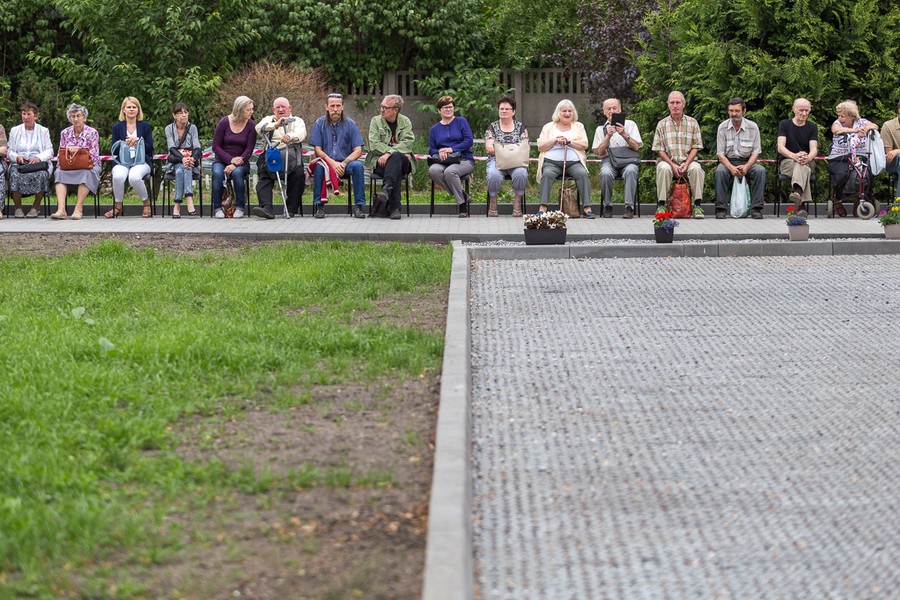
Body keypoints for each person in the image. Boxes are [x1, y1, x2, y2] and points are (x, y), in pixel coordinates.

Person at [307, 92, 366, 219]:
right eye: (332, 106)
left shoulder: (350, 124)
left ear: (343, 107)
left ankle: (359, 208)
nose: (335, 109)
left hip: (346, 164)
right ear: (326, 107)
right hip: (326, 163)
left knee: (358, 167)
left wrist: (343, 163)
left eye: (338, 106)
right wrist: (332, 163)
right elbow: (317, 149)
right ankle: (319, 207)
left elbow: (358, 149)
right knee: (319, 167)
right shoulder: (319, 123)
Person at [652, 91, 705, 217]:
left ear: (683, 104)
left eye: (678, 102)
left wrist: (686, 164)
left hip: (688, 161)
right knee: (663, 169)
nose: (675, 105)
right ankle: (661, 206)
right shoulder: (662, 124)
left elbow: (696, 146)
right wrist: (672, 165)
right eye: (672, 103)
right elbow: (659, 149)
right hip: (668, 162)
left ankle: (697, 206)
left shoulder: (693, 123)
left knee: (697, 169)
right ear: (668, 105)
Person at [536, 99, 592, 216]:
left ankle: (587, 208)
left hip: (574, 162)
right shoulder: (549, 127)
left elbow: (585, 144)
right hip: (552, 162)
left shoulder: (579, 126)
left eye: (570, 111)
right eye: (564, 111)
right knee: (547, 175)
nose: (567, 114)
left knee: (583, 174)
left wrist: (570, 142)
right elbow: (540, 146)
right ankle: (543, 208)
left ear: (573, 113)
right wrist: (555, 140)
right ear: (558, 113)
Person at [253, 96, 305, 219]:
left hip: (291, 155)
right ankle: (267, 208)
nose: (281, 109)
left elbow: (301, 134)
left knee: (298, 174)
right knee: (263, 173)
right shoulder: (268, 119)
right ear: (273, 109)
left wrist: (290, 136)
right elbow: (258, 128)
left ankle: (291, 209)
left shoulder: (297, 121)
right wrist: (275, 125)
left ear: (290, 108)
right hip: (271, 153)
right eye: (278, 107)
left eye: (283, 107)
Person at [365, 94, 416, 220]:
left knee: (396, 158)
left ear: (395, 110)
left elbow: (408, 142)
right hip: (380, 162)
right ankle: (395, 208)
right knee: (395, 167)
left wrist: (389, 153)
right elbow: (374, 145)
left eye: (385, 108)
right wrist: (394, 152)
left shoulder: (405, 122)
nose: (381, 109)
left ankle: (386, 189)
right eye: (381, 106)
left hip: (404, 162)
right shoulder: (376, 121)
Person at [714, 97, 766, 219]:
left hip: (748, 161)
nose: (734, 114)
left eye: (737, 111)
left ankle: (756, 209)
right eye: (731, 111)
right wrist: (731, 168)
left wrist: (747, 166)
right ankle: (721, 209)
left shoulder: (753, 127)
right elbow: (720, 154)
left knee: (761, 171)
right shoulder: (722, 127)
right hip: (728, 161)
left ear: (744, 111)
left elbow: (756, 152)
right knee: (719, 172)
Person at [592, 97, 643, 219]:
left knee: (631, 171)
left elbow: (636, 147)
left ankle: (629, 207)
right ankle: (607, 206)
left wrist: (624, 134)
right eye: (608, 109)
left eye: (614, 108)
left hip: (628, 161)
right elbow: (599, 152)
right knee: (605, 173)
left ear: (620, 109)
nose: (611, 111)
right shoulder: (600, 129)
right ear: (604, 112)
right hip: (609, 161)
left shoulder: (630, 125)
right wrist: (608, 136)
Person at [827, 100, 879, 217]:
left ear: (852, 116)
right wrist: (856, 131)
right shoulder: (837, 123)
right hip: (839, 158)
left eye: (843, 116)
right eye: (839, 115)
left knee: (864, 174)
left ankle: (859, 200)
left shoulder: (861, 122)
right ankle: (838, 200)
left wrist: (865, 129)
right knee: (844, 173)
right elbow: (836, 130)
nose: (840, 118)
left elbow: (874, 126)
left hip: (859, 157)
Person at [52, 103, 101, 220]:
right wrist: (63, 161)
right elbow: (61, 153)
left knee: (86, 173)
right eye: (73, 116)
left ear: (84, 117)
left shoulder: (92, 132)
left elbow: (94, 155)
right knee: (59, 172)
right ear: (69, 118)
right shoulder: (65, 133)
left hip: (89, 165)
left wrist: (78, 150)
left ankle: (78, 209)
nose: (76, 119)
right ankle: (61, 210)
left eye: (78, 116)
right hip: (70, 165)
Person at [428, 95, 475, 218]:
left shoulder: (461, 121)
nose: (448, 109)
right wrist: (439, 152)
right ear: (439, 110)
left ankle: (462, 206)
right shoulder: (434, 129)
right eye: (445, 107)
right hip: (443, 161)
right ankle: (463, 195)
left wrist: (452, 149)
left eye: (450, 107)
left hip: (464, 160)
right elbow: (431, 148)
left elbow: (469, 140)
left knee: (450, 172)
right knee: (433, 170)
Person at [108, 96, 154, 218]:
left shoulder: (145, 126)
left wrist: (139, 140)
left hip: (141, 161)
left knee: (134, 177)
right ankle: (118, 206)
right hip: (122, 162)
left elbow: (150, 149)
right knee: (118, 176)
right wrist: (126, 143)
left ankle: (146, 204)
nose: (132, 109)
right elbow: (114, 149)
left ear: (138, 110)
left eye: (134, 107)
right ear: (124, 110)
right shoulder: (117, 127)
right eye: (129, 107)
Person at [212, 96, 256, 219]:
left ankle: (240, 206)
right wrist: (230, 160)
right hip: (222, 159)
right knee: (217, 173)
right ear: (239, 110)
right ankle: (217, 207)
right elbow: (215, 146)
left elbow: (249, 149)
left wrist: (235, 163)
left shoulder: (251, 125)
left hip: (242, 161)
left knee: (237, 173)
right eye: (248, 110)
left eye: (252, 109)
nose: (251, 112)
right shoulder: (224, 122)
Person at [7, 102, 53, 219]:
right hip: (20, 163)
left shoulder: (43, 131)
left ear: (36, 116)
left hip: (38, 164)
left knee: (42, 174)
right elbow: (9, 151)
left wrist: (39, 158)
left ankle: (35, 207)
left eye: (29, 114)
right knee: (14, 174)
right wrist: (17, 157)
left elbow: (50, 151)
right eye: (23, 114)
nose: (25, 117)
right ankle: (18, 208)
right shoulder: (15, 131)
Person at [485, 96, 528, 217]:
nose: (504, 111)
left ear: (513, 112)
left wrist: (501, 149)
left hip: (517, 162)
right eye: (501, 109)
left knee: (521, 174)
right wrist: (512, 150)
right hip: (496, 161)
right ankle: (493, 203)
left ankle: (517, 202)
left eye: (507, 109)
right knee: (493, 175)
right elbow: (489, 148)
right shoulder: (492, 127)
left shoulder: (521, 127)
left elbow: (524, 147)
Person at [776, 98, 818, 211]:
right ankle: (801, 205)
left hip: (807, 162)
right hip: (788, 162)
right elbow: (780, 147)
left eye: (807, 110)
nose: (804, 113)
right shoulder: (784, 124)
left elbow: (814, 149)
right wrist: (795, 156)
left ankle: (798, 194)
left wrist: (808, 157)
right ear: (794, 109)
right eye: (801, 110)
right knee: (801, 167)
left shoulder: (812, 127)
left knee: (802, 166)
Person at [164, 102, 201, 218]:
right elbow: (171, 148)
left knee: (183, 169)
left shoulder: (192, 127)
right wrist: (183, 159)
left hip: (190, 161)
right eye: (180, 113)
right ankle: (189, 199)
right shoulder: (169, 128)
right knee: (182, 168)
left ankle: (177, 205)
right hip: (175, 160)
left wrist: (192, 158)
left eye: (185, 112)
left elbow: (197, 147)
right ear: (174, 115)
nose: (184, 115)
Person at [883, 100, 900, 200]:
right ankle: (898, 207)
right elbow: (889, 154)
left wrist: (898, 150)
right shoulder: (888, 126)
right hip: (894, 162)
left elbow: (895, 152)